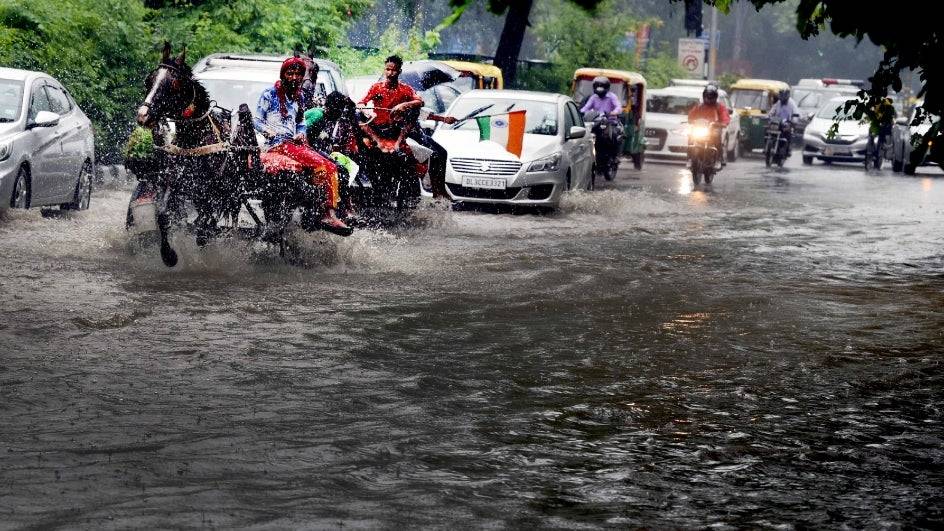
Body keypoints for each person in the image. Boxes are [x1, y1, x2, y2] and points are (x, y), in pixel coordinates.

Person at [254, 56, 351, 236]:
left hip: (295, 144)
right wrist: (268, 132)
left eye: (298, 74)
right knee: (328, 167)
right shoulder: (269, 94)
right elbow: (257, 120)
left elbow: (300, 123)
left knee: (334, 167)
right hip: (278, 144)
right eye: (290, 73)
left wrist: (300, 133)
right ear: (283, 75)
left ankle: (322, 209)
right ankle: (328, 213)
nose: (294, 77)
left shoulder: (298, 97)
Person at [358, 55, 424, 142]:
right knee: (356, 115)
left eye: (394, 70)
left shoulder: (406, 89)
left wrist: (404, 105)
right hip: (377, 128)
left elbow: (420, 102)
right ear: (384, 70)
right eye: (388, 70)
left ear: (399, 71)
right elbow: (360, 103)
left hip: (396, 129)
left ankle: (400, 142)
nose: (390, 73)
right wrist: (367, 112)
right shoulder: (376, 87)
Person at [687, 84, 731, 166]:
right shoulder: (699, 107)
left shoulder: (719, 107)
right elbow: (691, 115)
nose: (709, 98)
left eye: (711, 96)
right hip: (701, 128)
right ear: (704, 95)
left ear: (715, 96)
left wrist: (723, 123)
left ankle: (718, 159)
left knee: (717, 138)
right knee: (691, 137)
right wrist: (691, 120)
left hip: (714, 128)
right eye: (707, 96)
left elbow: (725, 116)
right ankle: (690, 158)